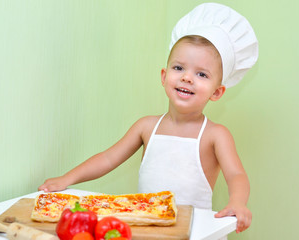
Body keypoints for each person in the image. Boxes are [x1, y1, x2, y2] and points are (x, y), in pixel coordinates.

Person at [39, 3, 258, 233]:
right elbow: (108, 158)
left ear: (217, 92)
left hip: (195, 232)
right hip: (146, 229)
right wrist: (67, 179)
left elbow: (236, 175)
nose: (187, 78)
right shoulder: (146, 126)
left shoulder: (216, 135)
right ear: (164, 76)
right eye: (179, 68)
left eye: (201, 74)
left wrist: (238, 202)